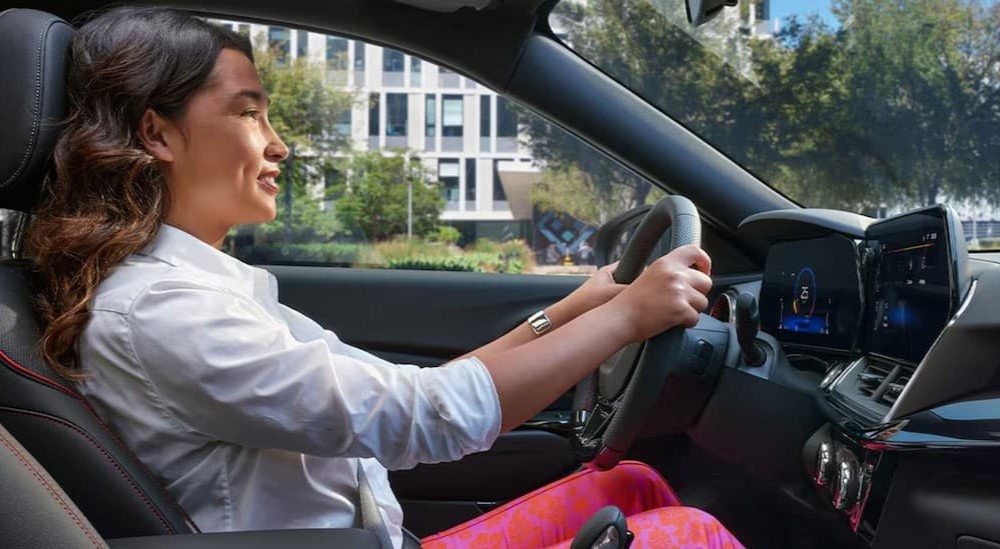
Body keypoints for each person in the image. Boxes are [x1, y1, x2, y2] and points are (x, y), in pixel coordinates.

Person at [25, 7, 743, 548]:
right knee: (691, 533)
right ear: (157, 134)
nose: (278, 142)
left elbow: (410, 396)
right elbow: (424, 417)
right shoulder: (162, 311)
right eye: (249, 112)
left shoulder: (202, 290)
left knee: (633, 483)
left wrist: (575, 309)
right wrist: (626, 319)